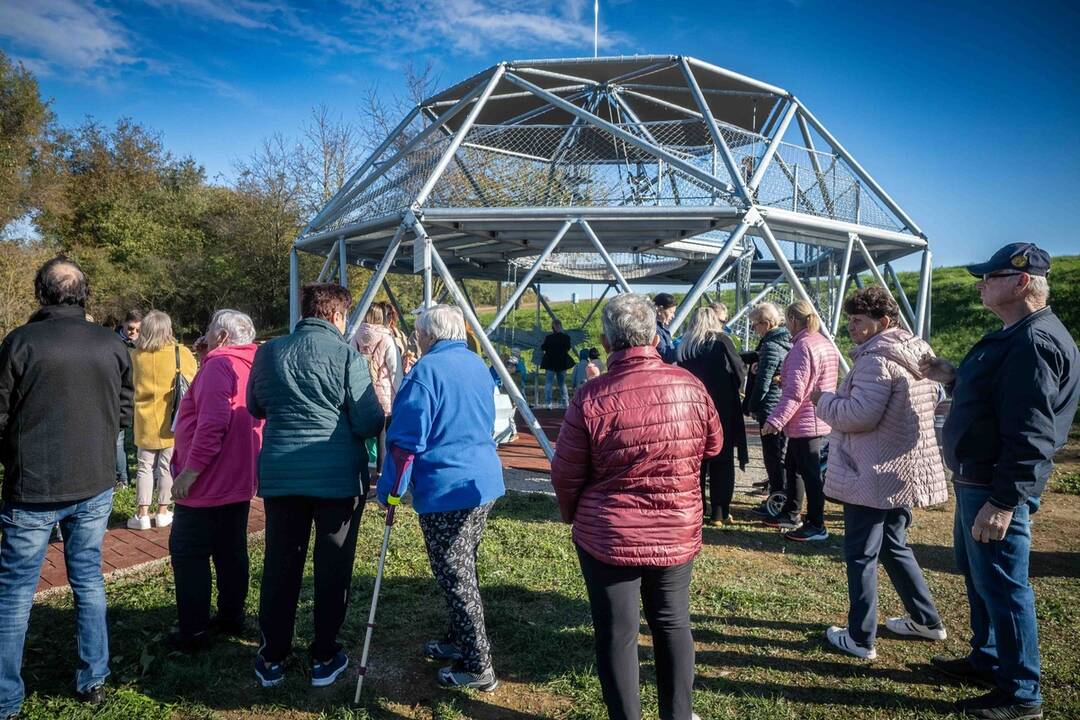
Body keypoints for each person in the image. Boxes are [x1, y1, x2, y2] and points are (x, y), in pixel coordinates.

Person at [922, 243, 1079, 720]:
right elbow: (996, 402)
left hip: (994, 487)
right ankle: (988, 658)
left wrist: (1005, 500)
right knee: (983, 579)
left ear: (1022, 282)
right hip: (979, 481)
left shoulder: (1033, 341)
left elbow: (1032, 435)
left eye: (990, 277)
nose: (980, 284)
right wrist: (950, 377)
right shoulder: (1016, 335)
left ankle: (1021, 693)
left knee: (1006, 586)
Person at [551, 293, 722, 720]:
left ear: (608, 344)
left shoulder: (592, 398)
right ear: (652, 334)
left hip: (609, 535)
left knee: (617, 633)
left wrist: (575, 516)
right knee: (672, 624)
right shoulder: (689, 385)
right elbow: (714, 445)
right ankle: (678, 714)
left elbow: (566, 473)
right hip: (675, 529)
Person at [0, 257, 133, 716]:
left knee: (17, 592)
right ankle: (92, 677)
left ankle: (8, 696)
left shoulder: (19, 342)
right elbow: (123, 412)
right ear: (83, 294)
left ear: (42, 293)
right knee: (87, 580)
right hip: (90, 480)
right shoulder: (111, 345)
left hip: (37, 484)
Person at [247, 283, 383, 689]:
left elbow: (256, 405)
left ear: (304, 311)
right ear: (339, 316)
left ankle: (272, 654)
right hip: (337, 479)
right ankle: (324, 653)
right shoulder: (347, 356)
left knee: (280, 564)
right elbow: (367, 421)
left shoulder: (269, 352)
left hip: (283, 477)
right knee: (332, 566)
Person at [809, 286, 948, 660]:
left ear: (883, 322)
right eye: (850, 320)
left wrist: (823, 400)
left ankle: (859, 636)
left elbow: (857, 415)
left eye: (858, 321)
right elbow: (934, 399)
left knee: (861, 554)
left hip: (872, 472)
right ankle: (926, 619)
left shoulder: (874, 360)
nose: (851, 328)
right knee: (893, 544)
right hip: (901, 468)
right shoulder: (918, 351)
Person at [377, 304, 506, 691]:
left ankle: (478, 664)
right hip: (482, 481)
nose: (416, 338)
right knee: (463, 566)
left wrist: (390, 493)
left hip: (447, 486)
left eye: (418, 333)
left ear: (428, 336)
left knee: (454, 572)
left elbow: (404, 443)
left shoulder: (425, 373)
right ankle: (458, 639)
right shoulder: (475, 366)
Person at [167, 310, 265, 653]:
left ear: (221, 336)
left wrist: (190, 472)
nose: (204, 334)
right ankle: (230, 615)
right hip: (238, 474)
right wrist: (205, 353)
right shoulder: (249, 362)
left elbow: (212, 423)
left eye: (209, 329)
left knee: (189, 553)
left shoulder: (218, 366)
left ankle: (193, 631)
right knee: (230, 550)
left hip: (208, 480)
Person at [760, 300, 840, 542]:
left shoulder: (801, 348)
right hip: (815, 417)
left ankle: (816, 523)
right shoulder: (823, 343)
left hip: (805, 420)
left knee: (809, 474)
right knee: (794, 468)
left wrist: (775, 420)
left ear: (794, 321)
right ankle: (790, 512)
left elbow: (796, 392)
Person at [678, 304, 747, 525]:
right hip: (722, 406)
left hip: (692, 407)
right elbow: (738, 371)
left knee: (697, 460)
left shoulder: (685, 345)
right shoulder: (721, 341)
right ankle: (720, 512)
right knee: (722, 458)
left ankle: (697, 508)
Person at [128, 310, 197, 530]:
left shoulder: (136, 356)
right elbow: (193, 379)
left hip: (145, 417)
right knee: (167, 465)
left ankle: (142, 514)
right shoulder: (181, 352)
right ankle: (163, 511)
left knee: (144, 466)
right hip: (173, 416)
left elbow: (130, 384)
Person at [744, 302, 792, 515]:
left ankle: (777, 496)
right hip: (779, 404)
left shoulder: (771, 346)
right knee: (779, 453)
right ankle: (780, 493)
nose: (754, 329)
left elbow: (763, 381)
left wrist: (752, 405)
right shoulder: (783, 342)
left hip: (770, 406)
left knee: (772, 456)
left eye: (755, 325)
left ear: (766, 323)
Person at [354, 303, 402, 479]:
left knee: (361, 434)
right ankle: (381, 474)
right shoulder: (386, 339)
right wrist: (400, 394)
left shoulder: (357, 337)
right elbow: (394, 370)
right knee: (383, 435)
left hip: (361, 392)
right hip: (384, 394)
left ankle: (361, 472)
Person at [115, 309, 142, 489]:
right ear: (123, 325)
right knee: (118, 439)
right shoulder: (113, 343)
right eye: (131, 329)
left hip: (140, 396)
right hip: (118, 395)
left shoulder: (144, 344)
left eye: (138, 330)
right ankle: (121, 478)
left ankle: (143, 477)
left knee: (141, 440)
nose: (134, 333)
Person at [540, 319, 574, 407]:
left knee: (548, 383)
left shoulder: (548, 338)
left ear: (553, 327)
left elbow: (543, 347)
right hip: (562, 362)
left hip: (550, 362)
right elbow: (568, 348)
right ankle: (565, 402)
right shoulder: (566, 337)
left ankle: (548, 403)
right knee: (562, 383)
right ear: (561, 326)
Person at [653, 292, 679, 362]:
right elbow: (664, 355)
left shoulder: (660, 328)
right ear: (660, 309)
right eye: (671, 312)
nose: (673, 316)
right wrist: (684, 348)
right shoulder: (655, 329)